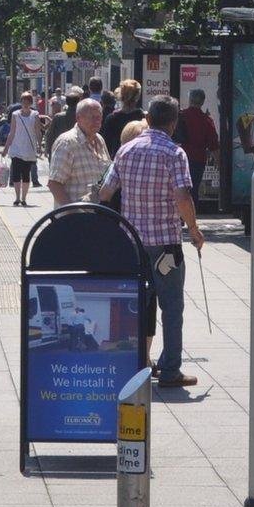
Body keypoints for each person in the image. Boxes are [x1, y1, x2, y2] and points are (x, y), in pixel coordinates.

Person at [92, 95, 205, 389]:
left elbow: (105, 193)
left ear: (149, 118)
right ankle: (170, 370)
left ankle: (135, 363)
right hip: (165, 245)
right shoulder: (174, 153)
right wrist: (193, 229)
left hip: (132, 243)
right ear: (173, 121)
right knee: (171, 306)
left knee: (136, 304)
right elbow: (182, 196)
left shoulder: (126, 149)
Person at [48, 98, 109, 207]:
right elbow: (54, 184)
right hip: (75, 218)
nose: (96, 121)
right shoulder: (67, 143)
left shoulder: (99, 140)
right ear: (78, 118)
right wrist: (72, 213)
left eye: (99, 117)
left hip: (98, 215)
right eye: (91, 117)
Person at [4, 91, 46, 207]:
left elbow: (38, 131)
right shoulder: (15, 115)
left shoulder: (35, 114)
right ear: (21, 102)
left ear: (31, 103)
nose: (26, 104)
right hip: (16, 148)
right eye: (24, 101)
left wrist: (39, 145)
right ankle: (17, 197)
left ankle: (24, 198)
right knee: (16, 174)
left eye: (28, 101)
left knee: (26, 174)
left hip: (29, 148)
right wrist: (6, 148)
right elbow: (11, 132)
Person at [177, 89, 219, 204]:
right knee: (193, 188)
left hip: (180, 156)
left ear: (190, 99)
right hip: (198, 159)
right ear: (203, 101)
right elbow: (213, 143)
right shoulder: (206, 120)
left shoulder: (180, 116)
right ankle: (192, 213)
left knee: (179, 186)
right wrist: (218, 161)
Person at [102, 79, 146, 155]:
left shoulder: (111, 118)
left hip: (117, 158)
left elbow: (106, 145)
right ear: (137, 97)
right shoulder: (143, 118)